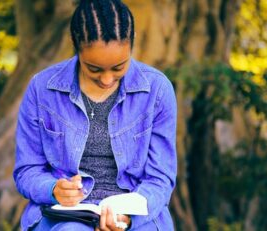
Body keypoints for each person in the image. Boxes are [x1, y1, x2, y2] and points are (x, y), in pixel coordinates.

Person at [13, 0, 177, 230]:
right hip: (67, 218)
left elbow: (161, 178)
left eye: (119, 68)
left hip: (137, 218)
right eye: (94, 69)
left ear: (132, 43)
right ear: (76, 45)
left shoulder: (157, 90)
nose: (107, 80)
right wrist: (53, 189)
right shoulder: (42, 89)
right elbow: (27, 170)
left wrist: (127, 218)